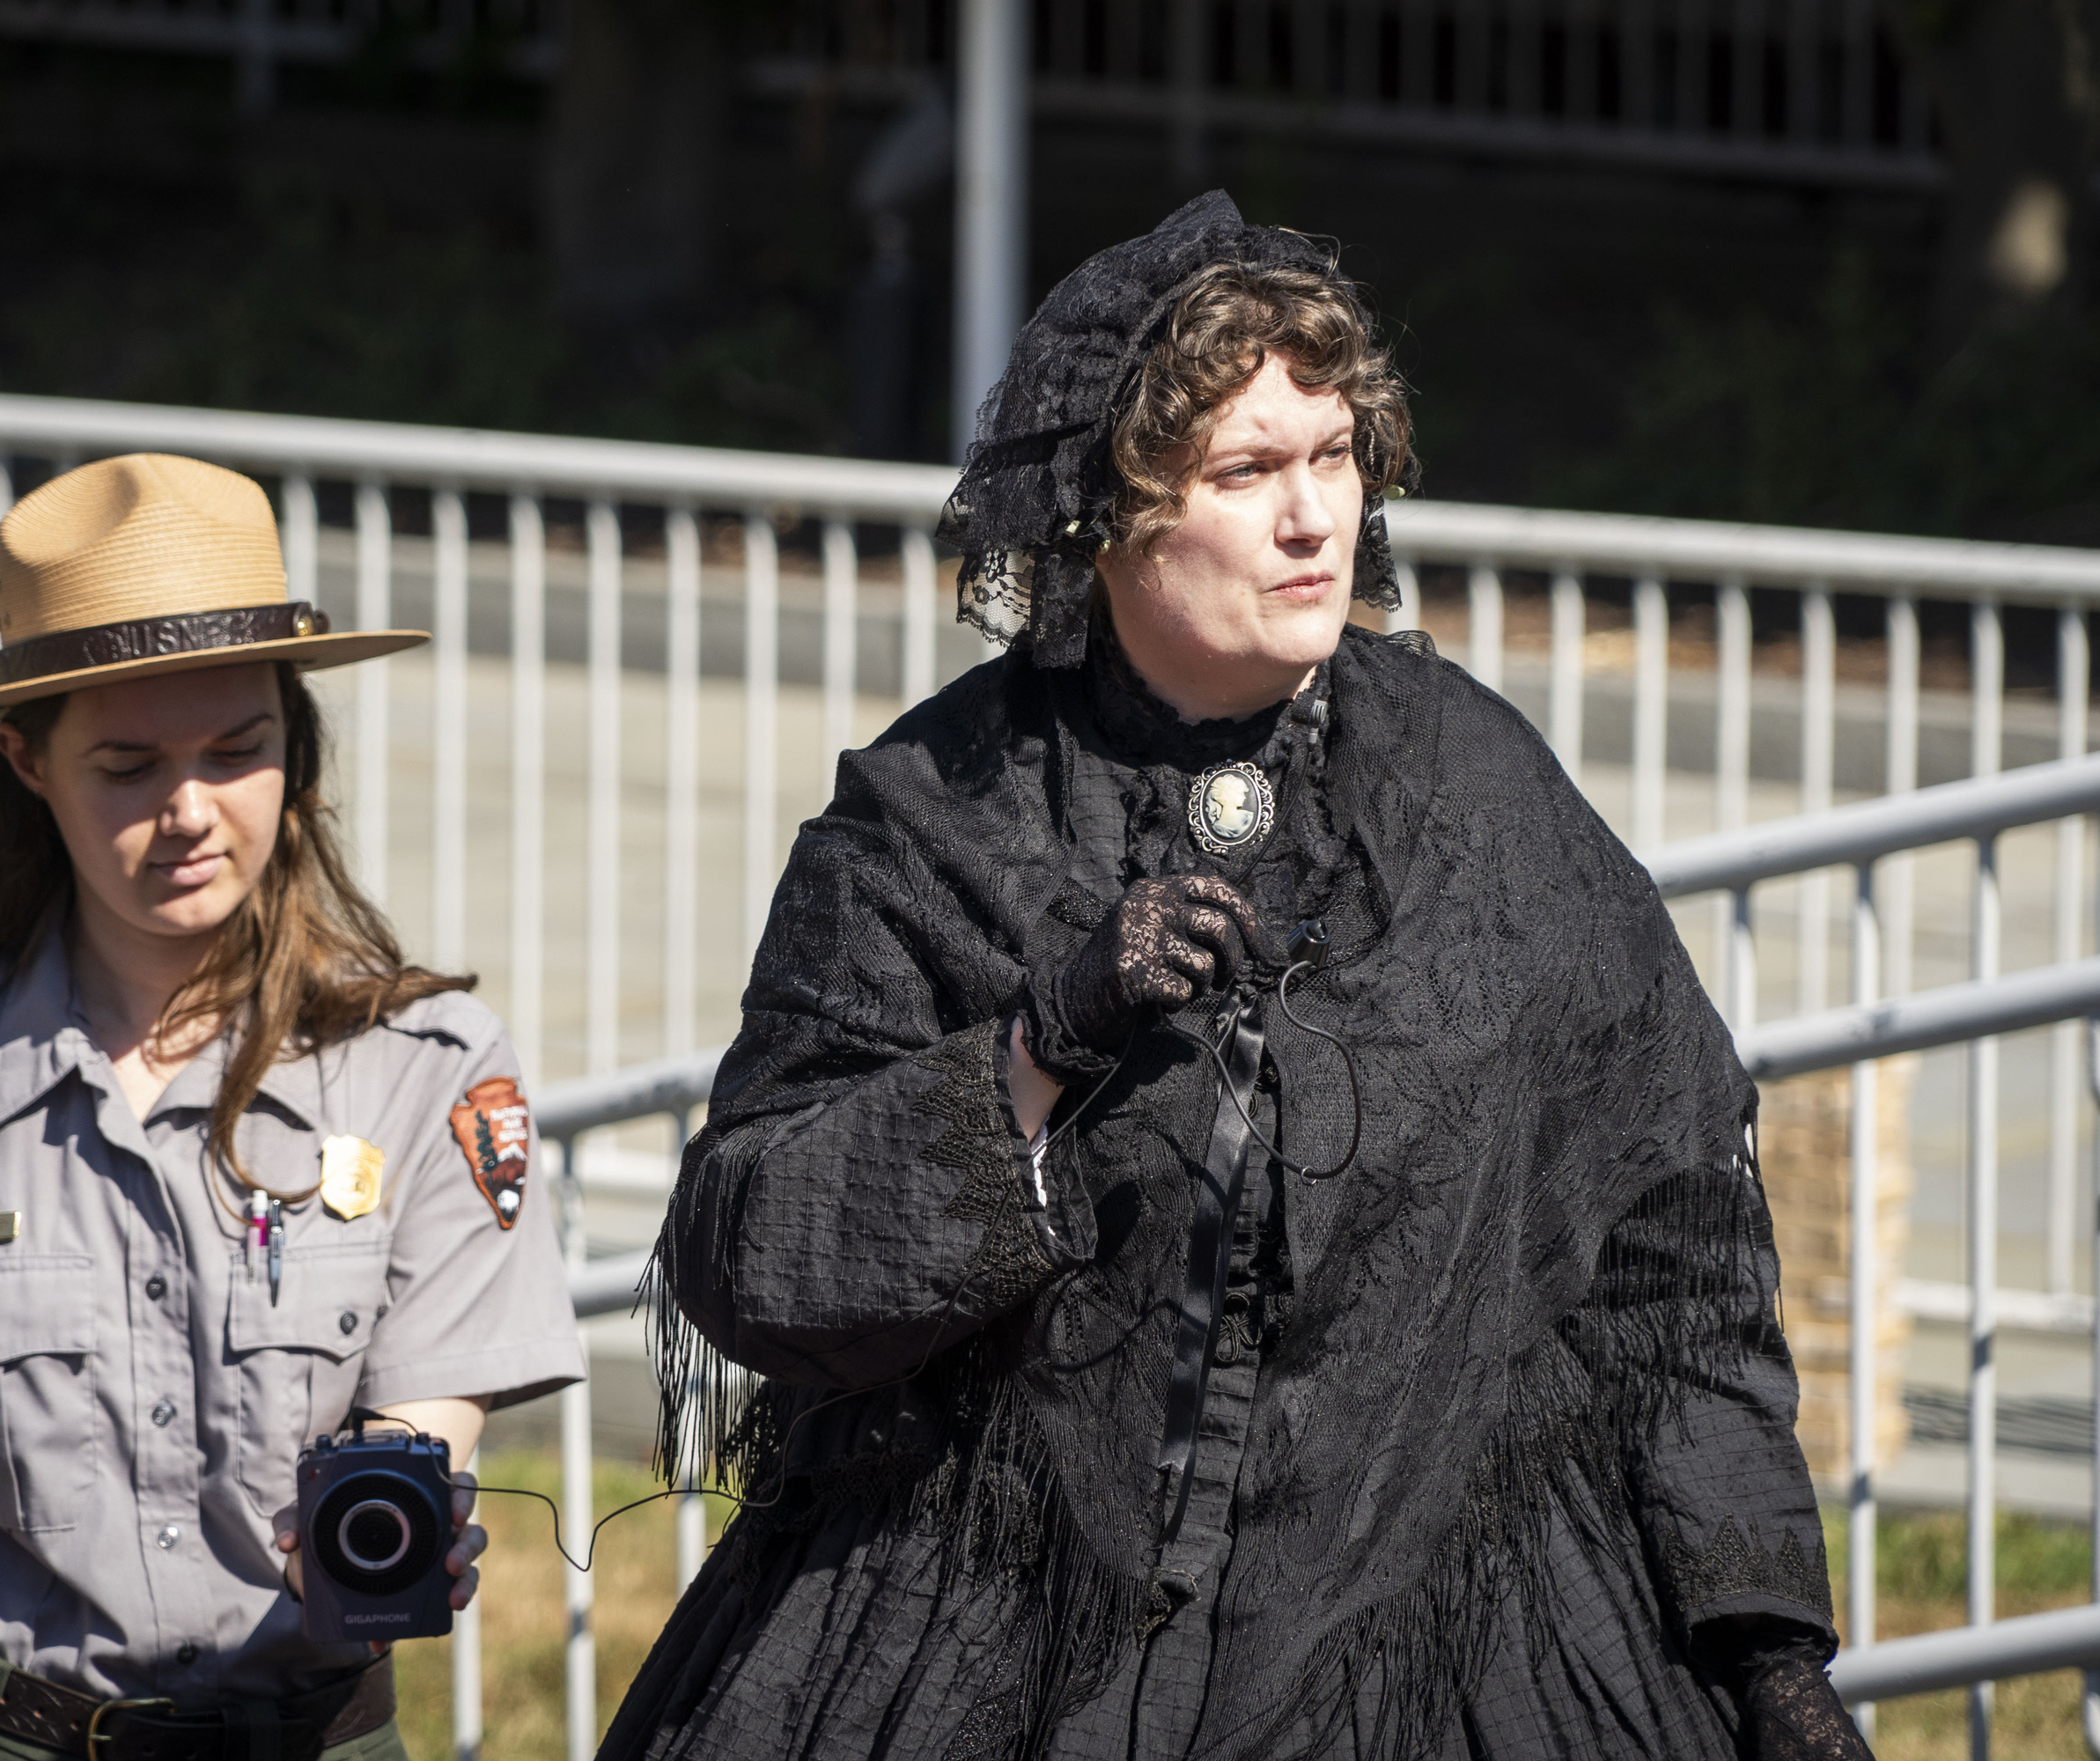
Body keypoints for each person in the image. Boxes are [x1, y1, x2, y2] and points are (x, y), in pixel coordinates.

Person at [605, 194, 1870, 1760]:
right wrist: (1038, 1049)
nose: (1313, 519)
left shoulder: (1481, 794)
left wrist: (1766, 1650)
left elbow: (1673, 1252)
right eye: (1246, 471)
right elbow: (748, 1249)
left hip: (1438, 1652)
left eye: (1335, 455)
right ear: (1109, 514)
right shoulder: (937, 815)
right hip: (998, 1639)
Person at [0, 453, 586, 1761]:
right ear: (27, 761)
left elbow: (418, 1437)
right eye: (128, 764)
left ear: (296, 746)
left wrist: (382, 1522)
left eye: (238, 749)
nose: (190, 812)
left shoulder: (425, 1071)